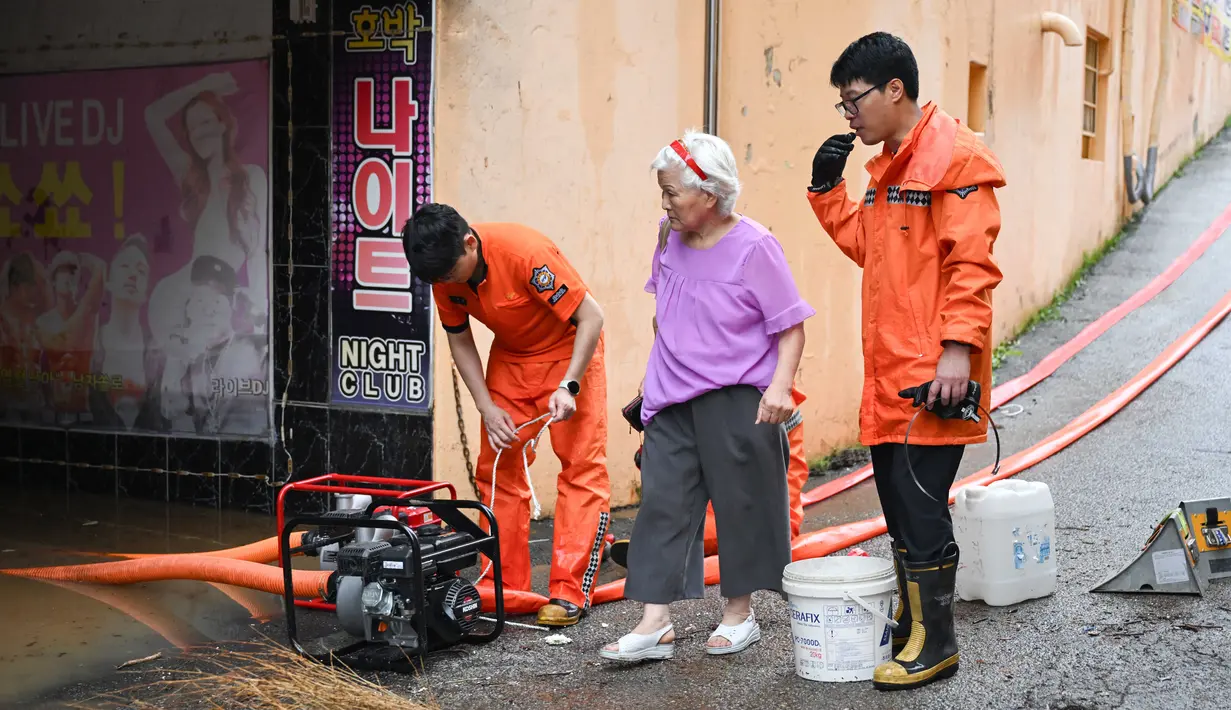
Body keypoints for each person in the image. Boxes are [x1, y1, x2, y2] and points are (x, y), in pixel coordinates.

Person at [806, 32, 1005, 690]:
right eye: (842, 105)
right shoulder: (891, 166)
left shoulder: (955, 157)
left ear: (894, 89)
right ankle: (910, 624)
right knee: (896, 501)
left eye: (852, 100)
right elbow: (872, 249)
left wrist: (956, 351)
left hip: (933, 374)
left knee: (920, 505)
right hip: (892, 371)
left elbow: (970, 267)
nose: (848, 115)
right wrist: (825, 191)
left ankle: (936, 641)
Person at [600, 131, 814, 661]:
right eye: (663, 191)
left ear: (710, 195)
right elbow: (664, 311)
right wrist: (658, 377)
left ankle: (739, 615)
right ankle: (655, 622)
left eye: (672, 192)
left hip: (737, 395)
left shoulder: (755, 247)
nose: (665, 202)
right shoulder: (666, 235)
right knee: (663, 503)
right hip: (671, 397)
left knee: (741, 502)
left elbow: (791, 328)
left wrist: (780, 388)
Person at [401, 203, 610, 628]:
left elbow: (592, 317)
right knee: (497, 468)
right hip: (511, 360)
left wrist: (569, 385)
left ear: (470, 243)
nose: (446, 284)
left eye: (449, 274)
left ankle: (570, 592)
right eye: (437, 280)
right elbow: (460, 340)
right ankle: (504, 587)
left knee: (581, 469)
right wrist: (486, 406)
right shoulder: (443, 271)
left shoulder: (525, 254)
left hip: (570, 353)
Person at [607, 380, 810, 565]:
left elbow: (787, 481)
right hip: (729, 455)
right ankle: (663, 542)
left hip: (762, 422)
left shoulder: (760, 394)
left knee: (772, 528)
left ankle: (662, 545)